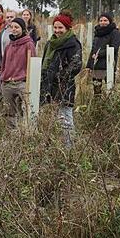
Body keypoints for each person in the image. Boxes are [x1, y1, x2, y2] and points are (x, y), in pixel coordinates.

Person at [40, 10, 82, 147]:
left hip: (64, 87)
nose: (57, 30)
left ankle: (69, 148)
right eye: (55, 27)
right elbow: (44, 63)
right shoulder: (50, 43)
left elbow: (75, 65)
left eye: (60, 28)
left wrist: (59, 77)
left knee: (65, 118)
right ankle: (52, 146)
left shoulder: (73, 44)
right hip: (48, 85)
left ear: (67, 28)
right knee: (50, 117)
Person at [0, 18, 37, 128]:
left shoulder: (29, 44)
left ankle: (26, 132)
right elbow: (4, 64)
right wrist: (3, 78)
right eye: (12, 27)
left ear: (22, 29)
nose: (14, 29)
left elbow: (32, 63)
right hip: (8, 82)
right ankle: (11, 133)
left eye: (17, 27)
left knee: (27, 109)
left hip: (22, 82)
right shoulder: (9, 46)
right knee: (9, 111)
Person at [86, 12, 120, 98]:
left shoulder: (114, 32)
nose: (103, 22)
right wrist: (89, 65)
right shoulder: (97, 32)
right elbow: (93, 50)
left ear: (110, 21)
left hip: (108, 64)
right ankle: (97, 106)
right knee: (96, 90)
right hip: (96, 65)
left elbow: (114, 48)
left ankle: (110, 106)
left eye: (105, 20)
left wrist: (99, 54)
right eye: (101, 20)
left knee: (110, 89)